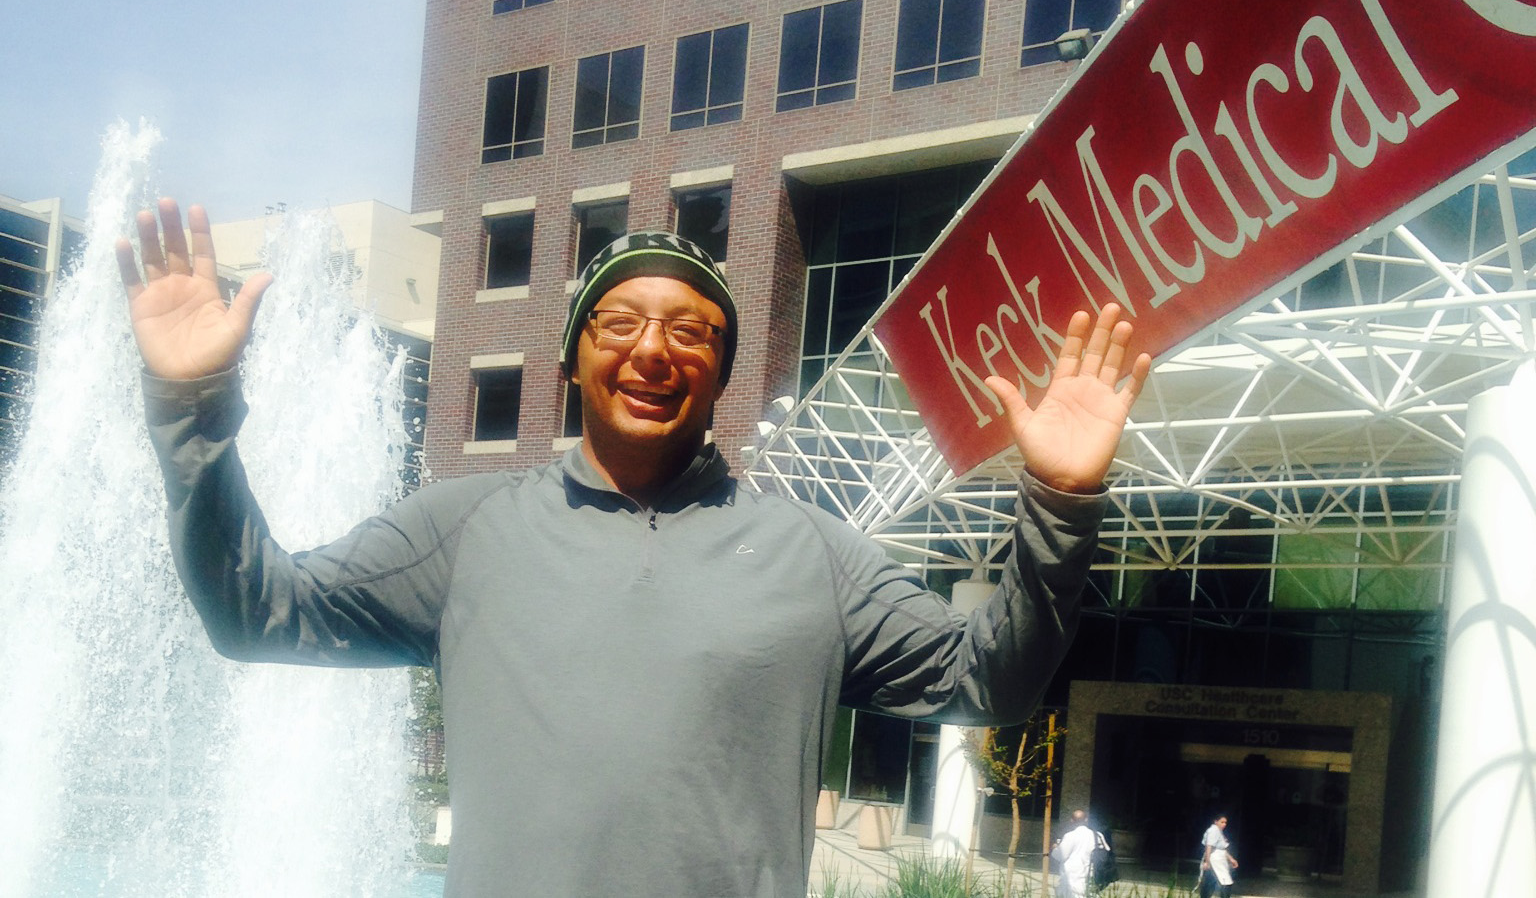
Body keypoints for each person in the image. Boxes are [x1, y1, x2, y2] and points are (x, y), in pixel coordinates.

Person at [115, 200, 1151, 898]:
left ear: (721, 373)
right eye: (619, 323)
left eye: (691, 333)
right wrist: (190, 407)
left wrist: (1060, 499)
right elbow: (254, 610)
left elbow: (995, 679)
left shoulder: (817, 558)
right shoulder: (462, 529)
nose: (652, 350)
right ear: (573, 357)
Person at [1054, 809, 1097, 898]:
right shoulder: (1095, 835)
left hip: (1071, 877)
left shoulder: (1070, 836)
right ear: (1086, 820)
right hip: (1090, 873)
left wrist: (1055, 848)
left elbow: (1061, 855)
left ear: (1071, 821)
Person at [1199, 814, 1239, 898]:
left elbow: (1222, 848)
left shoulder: (1218, 831)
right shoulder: (1213, 830)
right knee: (1224, 880)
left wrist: (1231, 859)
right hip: (1215, 858)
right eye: (1222, 822)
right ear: (1216, 821)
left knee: (1212, 880)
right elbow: (1209, 846)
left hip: (1220, 857)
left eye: (1225, 822)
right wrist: (1207, 861)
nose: (1224, 824)